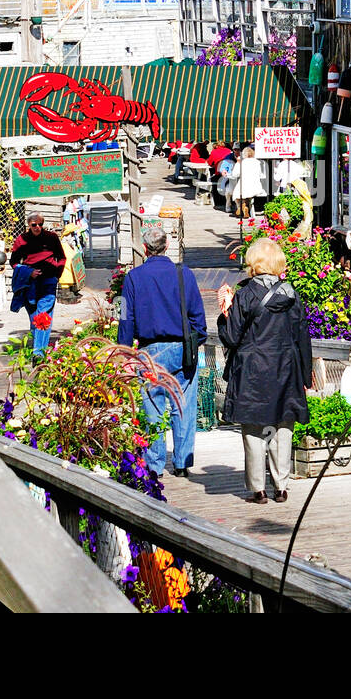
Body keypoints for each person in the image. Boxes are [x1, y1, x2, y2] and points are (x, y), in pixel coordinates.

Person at [217, 237, 311, 504]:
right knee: (283, 428)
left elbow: (232, 337)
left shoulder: (245, 294)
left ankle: (258, 489)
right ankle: (281, 485)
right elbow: (302, 337)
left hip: (253, 371)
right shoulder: (291, 294)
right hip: (286, 370)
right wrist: (305, 375)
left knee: (254, 430)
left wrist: (224, 315)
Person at [117, 224, 207, 478]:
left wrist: (124, 353)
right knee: (184, 406)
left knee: (153, 408)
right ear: (167, 246)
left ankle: (155, 465)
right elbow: (197, 315)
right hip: (181, 348)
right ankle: (182, 463)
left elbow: (125, 318)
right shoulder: (184, 274)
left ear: (145, 249)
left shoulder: (133, 278)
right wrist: (195, 341)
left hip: (149, 351)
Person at [10, 212, 66, 361]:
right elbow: (14, 262)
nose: (37, 227)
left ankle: (38, 352)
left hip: (48, 280)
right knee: (35, 318)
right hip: (30, 283)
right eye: (34, 225)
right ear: (29, 225)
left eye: (40, 224)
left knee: (44, 316)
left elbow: (61, 257)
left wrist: (56, 276)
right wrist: (28, 272)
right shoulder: (22, 240)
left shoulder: (52, 238)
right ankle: (39, 347)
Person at [229, 146, 268, 220]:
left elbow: (234, 174)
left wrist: (237, 163)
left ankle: (241, 207)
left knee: (237, 193)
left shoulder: (242, 163)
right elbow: (260, 175)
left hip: (244, 186)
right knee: (245, 193)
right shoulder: (257, 162)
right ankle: (244, 206)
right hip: (256, 186)